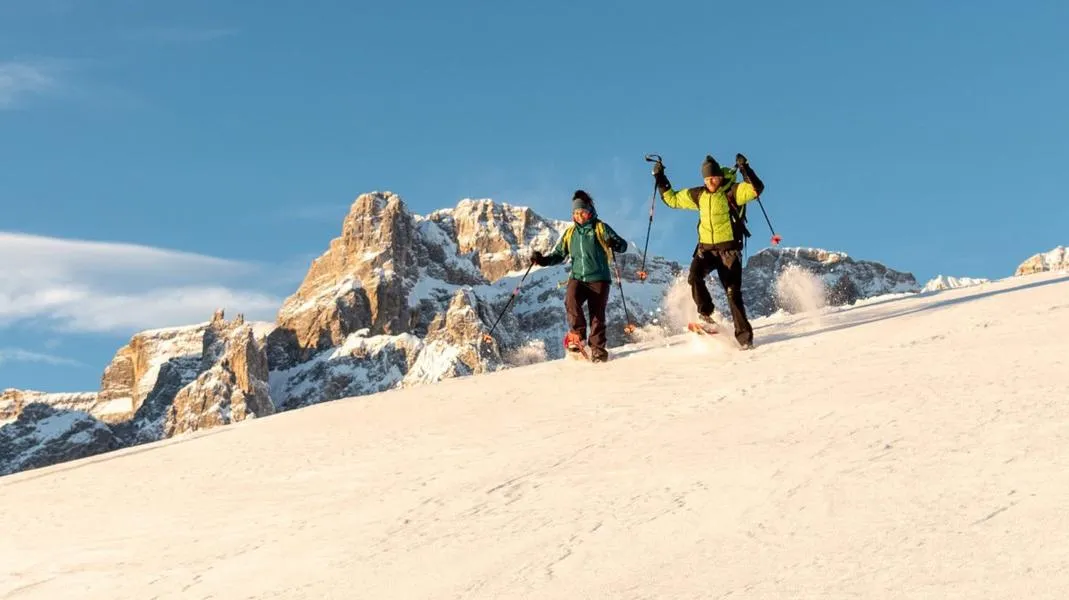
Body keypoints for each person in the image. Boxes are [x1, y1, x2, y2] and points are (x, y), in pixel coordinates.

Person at [652, 153, 765, 348]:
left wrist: (745, 168)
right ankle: (706, 314)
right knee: (694, 277)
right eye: (707, 178)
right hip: (706, 251)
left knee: (732, 293)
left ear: (720, 177)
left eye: (713, 177)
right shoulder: (699, 195)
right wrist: (660, 177)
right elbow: (672, 199)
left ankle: (745, 339)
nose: (710, 181)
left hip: (729, 251)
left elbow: (756, 189)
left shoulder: (733, 192)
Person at [531, 190, 628, 362]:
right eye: (576, 213)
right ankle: (577, 335)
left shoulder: (600, 228)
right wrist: (543, 260)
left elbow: (622, 245)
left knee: (597, 315)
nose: (579, 216)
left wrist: (614, 243)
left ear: (589, 212)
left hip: (599, 279)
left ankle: (597, 349)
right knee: (571, 300)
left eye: (582, 212)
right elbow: (559, 254)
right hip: (578, 278)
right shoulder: (570, 234)